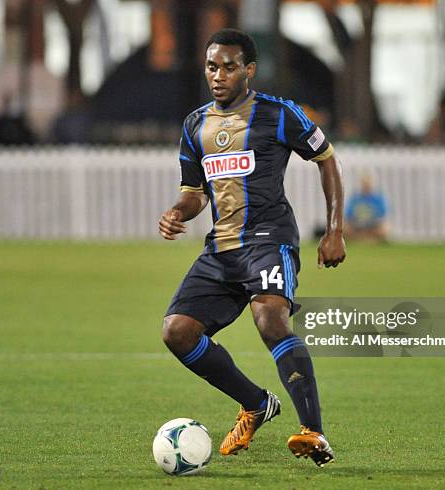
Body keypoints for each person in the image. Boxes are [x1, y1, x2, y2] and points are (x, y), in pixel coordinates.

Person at [158, 29, 346, 467]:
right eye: (211, 66)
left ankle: (313, 432)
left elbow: (327, 158)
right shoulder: (194, 125)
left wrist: (335, 228)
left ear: (249, 70)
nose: (218, 75)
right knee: (177, 332)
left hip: (268, 239)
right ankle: (256, 403)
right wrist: (177, 212)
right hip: (221, 249)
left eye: (228, 66)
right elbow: (195, 193)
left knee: (270, 318)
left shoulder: (278, 114)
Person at [345, 173, 389, 242]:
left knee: (384, 229)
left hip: (372, 225)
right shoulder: (355, 198)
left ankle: (362, 240)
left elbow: (382, 216)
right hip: (357, 225)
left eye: (368, 184)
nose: (366, 186)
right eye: (364, 184)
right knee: (346, 228)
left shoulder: (378, 198)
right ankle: (368, 240)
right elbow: (348, 216)